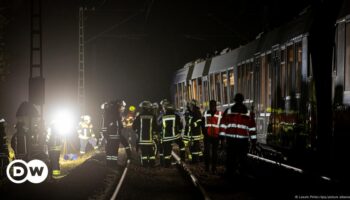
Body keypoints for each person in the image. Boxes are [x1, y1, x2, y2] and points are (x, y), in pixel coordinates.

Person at [219, 93, 257, 177]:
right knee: (241, 159)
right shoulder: (248, 113)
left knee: (232, 158)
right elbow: (252, 129)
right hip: (242, 141)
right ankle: (239, 174)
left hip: (232, 140)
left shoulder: (229, 111)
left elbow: (222, 125)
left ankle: (231, 174)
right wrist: (253, 141)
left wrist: (222, 138)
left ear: (235, 100)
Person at [103, 100, 132, 167]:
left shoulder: (113, 114)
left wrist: (106, 136)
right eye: (122, 107)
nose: (123, 109)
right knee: (113, 151)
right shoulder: (115, 114)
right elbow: (118, 126)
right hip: (114, 136)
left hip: (112, 136)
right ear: (119, 106)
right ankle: (112, 164)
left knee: (111, 151)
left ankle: (110, 164)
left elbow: (118, 126)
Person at [132, 101, 158, 167]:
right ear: (149, 108)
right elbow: (156, 127)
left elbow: (133, 126)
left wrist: (137, 130)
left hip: (142, 139)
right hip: (150, 139)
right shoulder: (153, 116)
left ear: (142, 108)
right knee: (151, 152)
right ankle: (152, 164)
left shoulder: (139, 116)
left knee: (144, 153)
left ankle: (145, 164)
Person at [159, 102, 185, 167]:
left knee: (166, 151)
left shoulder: (163, 117)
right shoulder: (176, 116)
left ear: (166, 109)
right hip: (175, 136)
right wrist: (179, 131)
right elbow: (180, 126)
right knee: (182, 146)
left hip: (166, 137)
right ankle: (183, 159)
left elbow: (159, 126)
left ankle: (167, 164)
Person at [203, 100, 222, 173]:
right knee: (207, 152)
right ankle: (207, 168)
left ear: (215, 106)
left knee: (214, 153)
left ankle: (213, 168)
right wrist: (204, 132)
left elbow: (221, 125)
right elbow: (202, 123)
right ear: (210, 106)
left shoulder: (220, 114)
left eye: (213, 106)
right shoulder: (205, 113)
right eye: (211, 106)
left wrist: (221, 137)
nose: (212, 107)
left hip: (216, 136)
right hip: (207, 136)